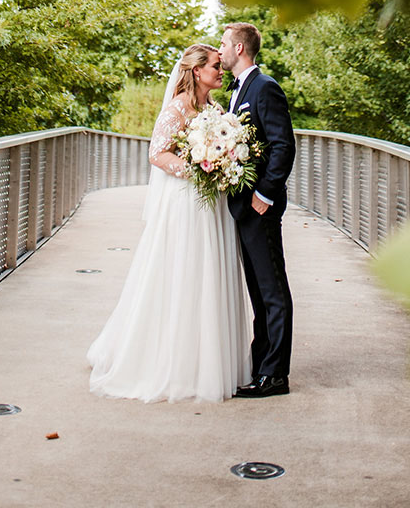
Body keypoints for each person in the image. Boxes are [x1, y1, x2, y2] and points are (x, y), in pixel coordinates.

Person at [87, 44, 252, 402]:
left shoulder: (215, 109)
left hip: (214, 207)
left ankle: (209, 359)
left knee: (211, 276)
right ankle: (174, 364)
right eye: (213, 66)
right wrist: (197, 168)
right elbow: (157, 153)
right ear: (196, 71)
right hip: (187, 205)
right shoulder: (177, 108)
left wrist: (221, 164)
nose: (220, 70)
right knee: (184, 276)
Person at [219, 21, 296, 398]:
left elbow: (283, 146)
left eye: (223, 44)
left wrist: (263, 196)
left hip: (259, 207)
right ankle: (260, 363)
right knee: (257, 289)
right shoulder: (237, 91)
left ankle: (276, 375)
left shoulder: (265, 88)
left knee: (272, 289)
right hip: (242, 207)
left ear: (239, 48)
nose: (219, 51)